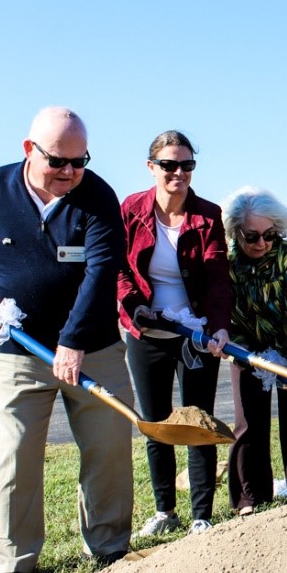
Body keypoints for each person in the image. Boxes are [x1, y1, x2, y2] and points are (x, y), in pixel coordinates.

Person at [0, 107, 133, 573]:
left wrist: (72, 340)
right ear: (29, 151)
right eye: (59, 161)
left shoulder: (96, 196)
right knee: (16, 453)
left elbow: (100, 272)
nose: (71, 172)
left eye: (80, 161)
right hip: (17, 352)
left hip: (92, 347)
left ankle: (110, 547)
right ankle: (13, 564)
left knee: (109, 445)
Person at [117, 130, 231, 537]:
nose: (178, 172)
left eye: (186, 165)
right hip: (146, 332)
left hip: (193, 333)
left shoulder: (207, 214)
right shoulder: (131, 209)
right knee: (156, 423)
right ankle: (165, 510)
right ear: (152, 168)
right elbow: (120, 269)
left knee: (199, 421)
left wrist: (218, 325)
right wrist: (134, 306)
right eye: (168, 165)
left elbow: (218, 277)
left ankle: (202, 513)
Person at [222, 187, 287, 513]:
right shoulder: (228, 261)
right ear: (236, 230)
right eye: (252, 236)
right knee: (248, 423)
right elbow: (226, 309)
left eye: (269, 234)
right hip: (246, 346)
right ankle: (249, 498)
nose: (261, 243)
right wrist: (241, 347)